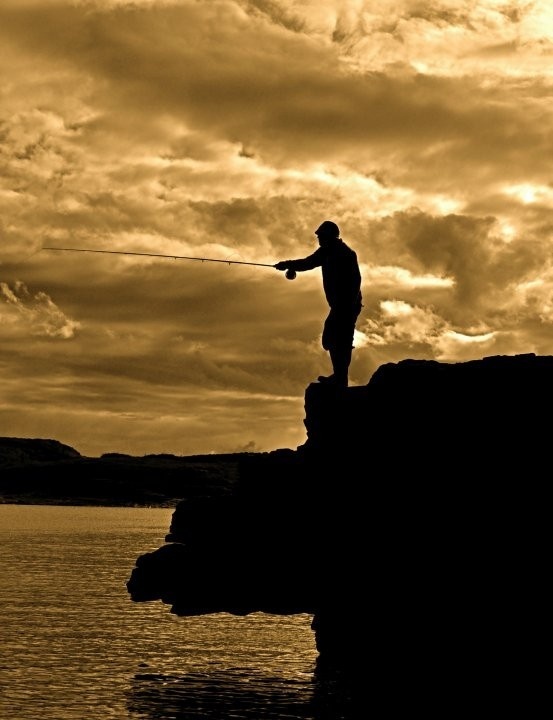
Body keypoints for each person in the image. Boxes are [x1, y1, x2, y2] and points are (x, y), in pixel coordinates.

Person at [274, 220, 362, 388]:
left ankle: (340, 379)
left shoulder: (345, 253)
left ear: (329, 236)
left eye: (321, 236)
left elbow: (356, 281)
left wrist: (346, 307)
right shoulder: (326, 252)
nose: (319, 239)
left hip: (347, 306)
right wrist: (287, 264)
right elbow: (308, 263)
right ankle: (339, 377)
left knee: (338, 340)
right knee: (334, 340)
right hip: (340, 306)